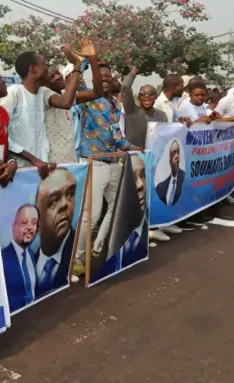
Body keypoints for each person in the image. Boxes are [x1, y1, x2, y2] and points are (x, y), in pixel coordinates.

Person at [74, 63, 141, 276]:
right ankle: (77, 258)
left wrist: (131, 147)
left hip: (114, 162)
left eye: (108, 75)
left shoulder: (114, 104)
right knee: (90, 216)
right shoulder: (88, 98)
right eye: (101, 75)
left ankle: (97, 247)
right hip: (94, 162)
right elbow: (77, 80)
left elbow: (115, 135)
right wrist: (82, 62)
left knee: (117, 207)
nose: (105, 78)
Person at [45, 40, 104, 163]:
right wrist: (77, 65)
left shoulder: (66, 96)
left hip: (71, 159)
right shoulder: (44, 96)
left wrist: (92, 58)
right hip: (51, 162)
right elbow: (65, 103)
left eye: (57, 73)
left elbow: (97, 92)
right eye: (51, 77)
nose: (57, 77)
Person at [35, 167, 77, 295]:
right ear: (37, 223)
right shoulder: (26, 262)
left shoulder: (76, 248)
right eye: (53, 201)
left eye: (70, 194)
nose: (65, 204)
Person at [1, 204, 38, 312]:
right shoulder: (2, 259)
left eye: (34, 223)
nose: (30, 227)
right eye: (24, 222)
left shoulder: (32, 254)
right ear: (14, 227)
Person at [156, 140, 185, 206]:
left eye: (178, 152)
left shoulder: (185, 178)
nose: (177, 156)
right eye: (174, 152)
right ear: (169, 158)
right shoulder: (160, 187)